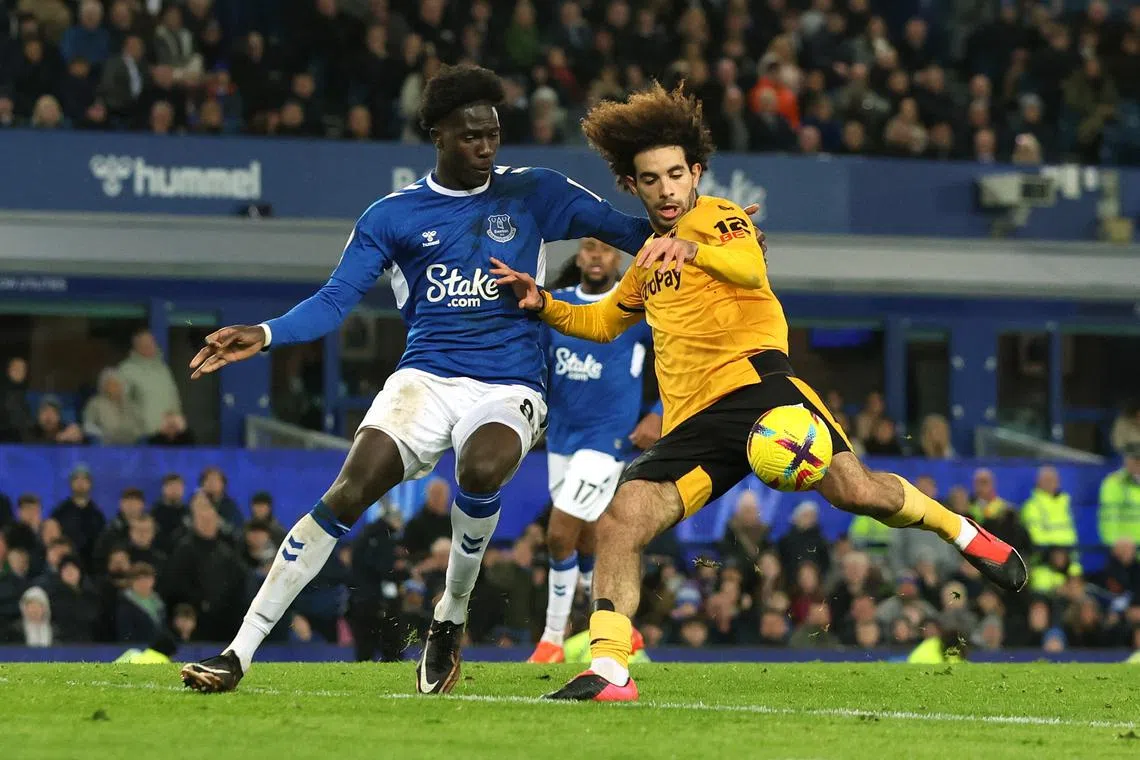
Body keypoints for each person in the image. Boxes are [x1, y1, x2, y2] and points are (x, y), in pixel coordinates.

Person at [178, 64, 759, 695]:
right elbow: (334, 299)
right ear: (436, 135)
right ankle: (238, 652)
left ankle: (449, 617)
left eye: (493, 134)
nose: (485, 147)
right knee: (348, 492)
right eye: (469, 136)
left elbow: (639, 231)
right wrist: (263, 334)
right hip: (424, 380)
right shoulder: (392, 216)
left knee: (480, 470)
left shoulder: (534, 191)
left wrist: (720, 230)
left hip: (511, 384)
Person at [492, 82, 1028, 702]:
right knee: (618, 521)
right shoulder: (645, 258)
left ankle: (963, 533)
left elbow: (749, 268)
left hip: (760, 389)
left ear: (695, 173)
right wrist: (544, 304)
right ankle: (611, 668)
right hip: (695, 425)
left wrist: (695, 249)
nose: (666, 190)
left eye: (675, 175)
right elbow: (606, 321)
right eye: (650, 180)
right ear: (633, 188)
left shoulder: (720, 218)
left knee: (858, 492)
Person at [526, 238, 663, 664]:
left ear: (618, 257)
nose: (597, 256)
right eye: (589, 248)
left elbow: (677, 359)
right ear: (580, 256)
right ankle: (625, 629)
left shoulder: (635, 307)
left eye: (605, 249)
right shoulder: (556, 306)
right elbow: (537, 364)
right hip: (562, 440)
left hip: (609, 442)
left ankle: (551, 640)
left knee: (559, 534)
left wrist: (658, 412)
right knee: (585, 540)